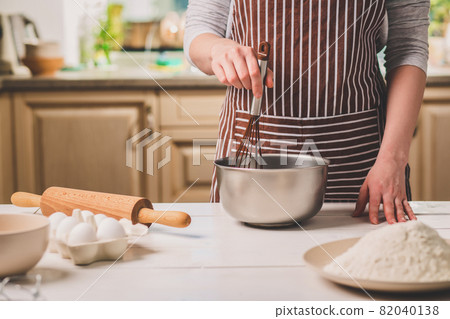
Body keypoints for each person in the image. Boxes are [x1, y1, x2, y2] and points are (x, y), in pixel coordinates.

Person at [184, 0, 429, 224]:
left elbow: (408, 47)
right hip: (255, 147)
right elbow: (199, 33)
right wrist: (217, 49)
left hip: (363, 158)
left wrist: (393, 159)